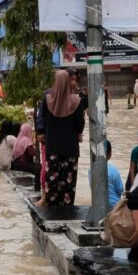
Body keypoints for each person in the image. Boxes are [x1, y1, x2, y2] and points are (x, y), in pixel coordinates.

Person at [36, 70, 86, 208]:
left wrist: (41, 132)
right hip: (71, 148)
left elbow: (41, 118)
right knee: (68, 181)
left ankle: (52, 208)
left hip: (53, 147)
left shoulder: (47, 100)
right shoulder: (77, 101)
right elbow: (80, 125)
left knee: (52, 179)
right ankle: (66, 209)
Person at [88, 139, 124, 209]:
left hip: (97, 205)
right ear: (110, 154)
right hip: (114, 206)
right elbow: (120, 191)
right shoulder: (114, 170)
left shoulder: (91, 169)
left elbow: (92, 187)